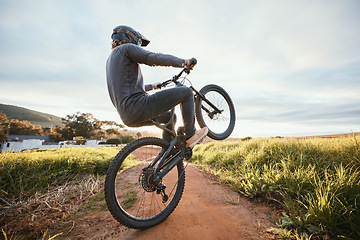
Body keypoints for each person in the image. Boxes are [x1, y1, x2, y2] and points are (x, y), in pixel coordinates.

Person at [106, 25, 208, 147]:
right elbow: (154, 58)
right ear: (130, 37)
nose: (137, 47)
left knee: (170, 117)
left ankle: (167, 152)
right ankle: (191, 135)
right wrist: (184, 62)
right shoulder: (126, 48)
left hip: (127, 116)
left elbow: (127, 87)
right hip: (139, 106)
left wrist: (153, 86)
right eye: (138, 43)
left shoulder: (110, 60)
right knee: (186, 92)